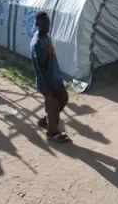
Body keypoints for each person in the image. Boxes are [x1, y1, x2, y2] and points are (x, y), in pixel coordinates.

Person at [31, 11, 71, 143]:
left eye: (48, 23)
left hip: (55, 77)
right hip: (46, 81)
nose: (47, 25)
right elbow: (40, 67)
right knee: (53, 103)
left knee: (63, 97)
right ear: (38, 24)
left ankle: (47, 120)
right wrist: (49, 85)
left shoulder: (45, 36)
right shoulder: (37, 43)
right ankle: (52, 132)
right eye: (44, 24)